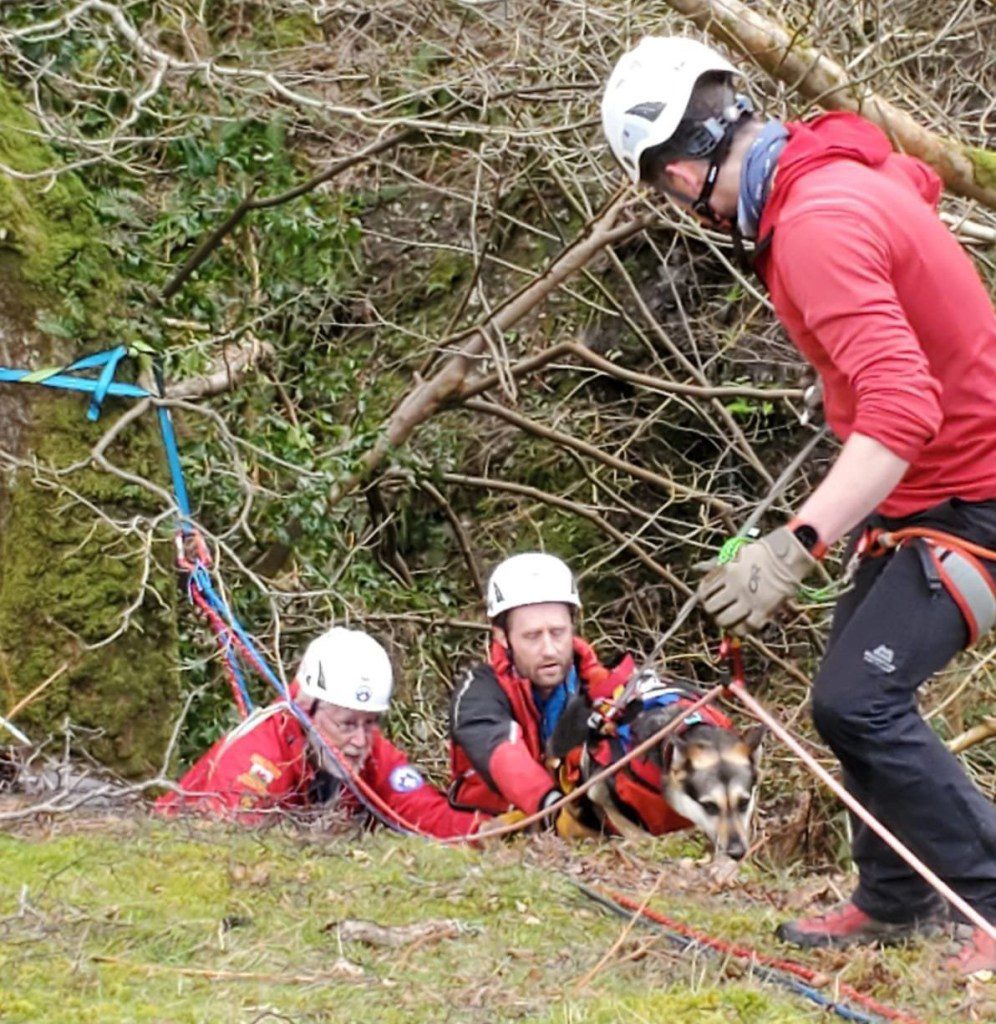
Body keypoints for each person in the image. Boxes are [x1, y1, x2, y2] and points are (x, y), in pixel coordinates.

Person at [600, 35, 996, 975]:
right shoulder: (830, 173)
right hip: (925, 488)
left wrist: (797, 542)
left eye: (664, 189)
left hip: (972, 493)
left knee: (861, 701)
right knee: (844, 698)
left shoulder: (814, 223)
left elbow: (903, 405)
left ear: (686, 168)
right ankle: (898, 895)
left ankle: (987, 898)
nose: (680, 211)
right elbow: (914, 188)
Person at [156, 627, 484, 839]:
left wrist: (486, 832)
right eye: (346, 724)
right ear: (305, 709)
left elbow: (421, 809)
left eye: (371, 722)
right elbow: (223, 844)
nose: (360, 741)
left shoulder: (367, 748)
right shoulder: (259, 761)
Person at [448, 552, 635, 825]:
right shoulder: (477, 693)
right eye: (532, 636)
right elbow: (501, 749)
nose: (549, 650)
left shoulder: (603, 688)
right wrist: (553, 807)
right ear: (502, 636)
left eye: (558, 632)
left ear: (573, 625)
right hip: (495, 837)